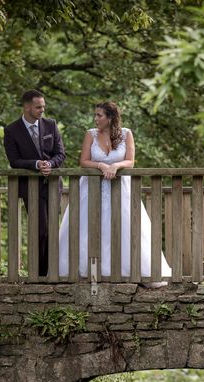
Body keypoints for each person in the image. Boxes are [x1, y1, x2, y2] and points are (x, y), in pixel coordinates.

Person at [58, 101, 171, 283]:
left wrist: (116, 166)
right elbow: (84, 162)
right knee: (88, 225)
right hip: (91, 188)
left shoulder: (126, 134)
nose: (95, 119)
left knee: (126, 226)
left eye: (99, 115)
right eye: (95, 115)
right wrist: (101, 165)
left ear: (110, 118)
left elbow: (131, 162)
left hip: (121, 188)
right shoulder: (91, 135)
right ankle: (87, 270)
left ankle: (128, 270)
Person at [3, 89, 65, 277]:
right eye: (38, 107)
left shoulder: (51, 125)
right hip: (30, 187)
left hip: (53, 185)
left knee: (53, 229)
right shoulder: (11, 130)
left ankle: (53, 271)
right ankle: (40, 275)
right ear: (27, 106)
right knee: (40, 231)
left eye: (44, 106)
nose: (42, 110)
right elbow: (14, 161)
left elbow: (60, 154)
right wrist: (36, 164)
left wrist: (49, 164)